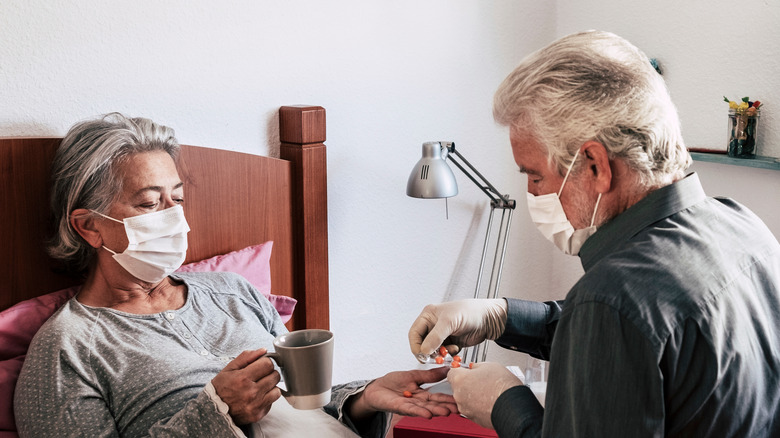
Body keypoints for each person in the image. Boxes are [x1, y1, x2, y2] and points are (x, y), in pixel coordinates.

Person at [408, 30, 780, 437]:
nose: (532, 191)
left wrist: (504, 405)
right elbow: (637, 338)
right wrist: (502, 315)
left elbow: (617, 319)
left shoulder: (611, 299)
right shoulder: (741, 224)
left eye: (535, 174)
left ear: (596, 166)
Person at [14, 113, 457, 438]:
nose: (172, 218)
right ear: (89, 226)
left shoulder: (232, 291)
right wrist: (216, 413)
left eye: (178, 199)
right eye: (149, 204)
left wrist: (364, 399)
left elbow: (297, 412)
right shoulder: (68, 346)